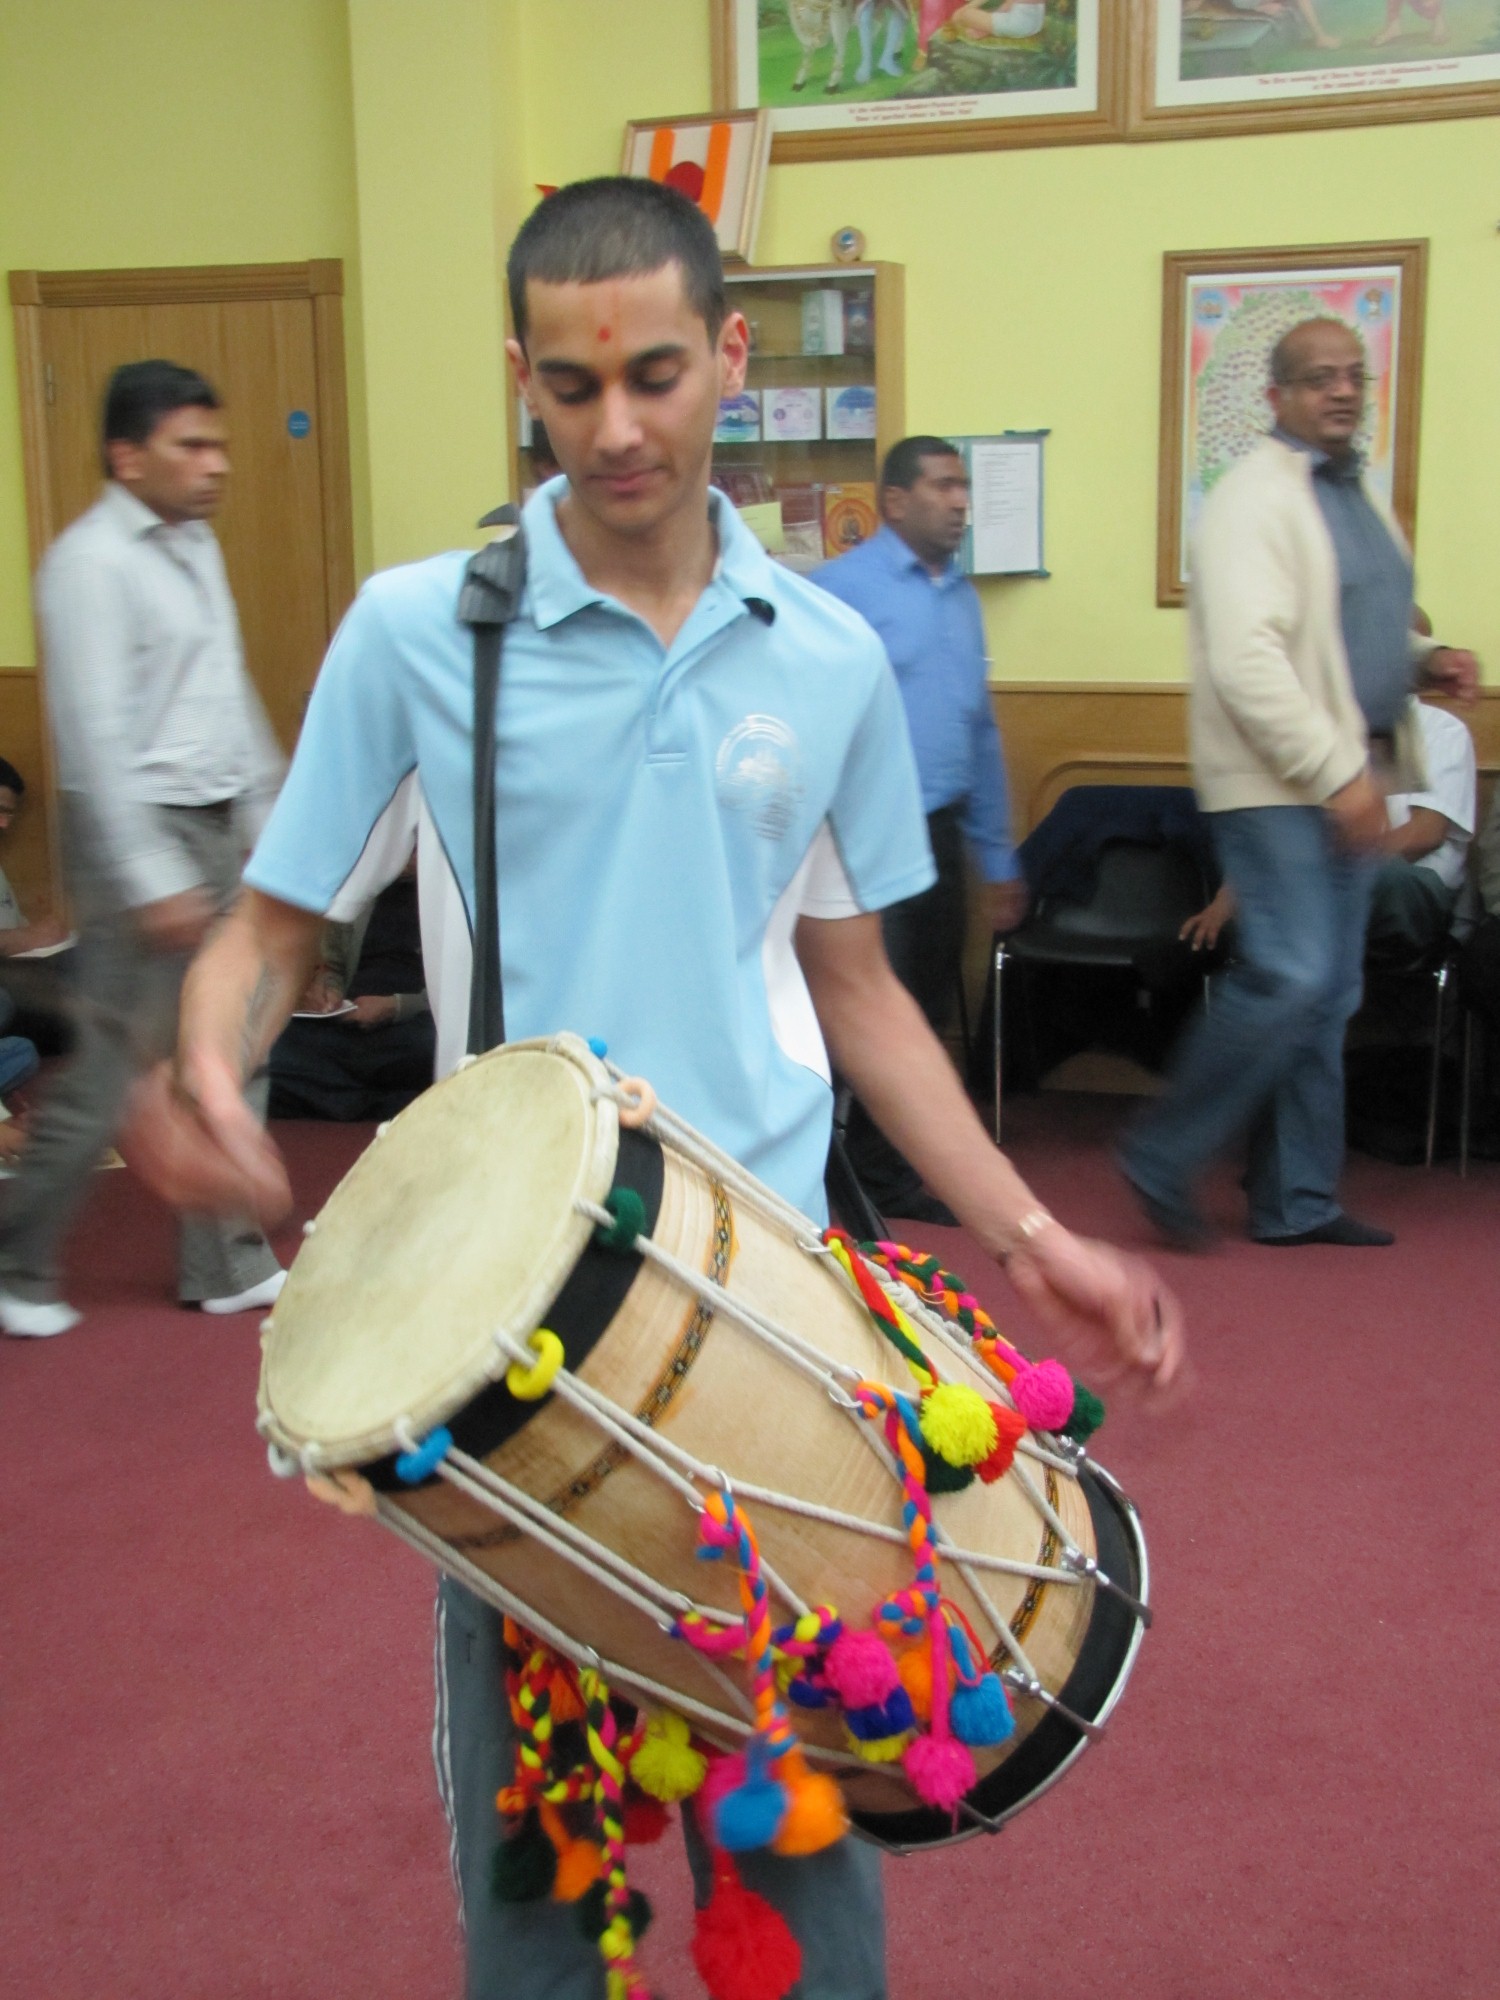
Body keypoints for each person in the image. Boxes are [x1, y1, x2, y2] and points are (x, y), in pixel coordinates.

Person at [123, 178, 1182, 2000]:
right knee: (544, 1868)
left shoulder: (831, 657)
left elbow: (863, 994)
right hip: (519, 1329)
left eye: (660, 375)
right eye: (571, 382)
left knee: (811, 1833)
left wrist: (1030, 1229)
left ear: (735, 363)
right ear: (522, 379)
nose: (616, 426)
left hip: (781, 1290)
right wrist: (206, 1057)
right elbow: (275, 925)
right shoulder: (416, 635)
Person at [1119, 317, 1478, 1252]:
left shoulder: (1352, 494)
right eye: (1320, 378)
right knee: (1290, 974)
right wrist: (1335, 773)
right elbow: (1248, 661)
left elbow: (1340, 626)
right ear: (1276, 396)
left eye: (1355, 376)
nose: (1344, 392)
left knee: (1328, 996)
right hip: (1281, 783)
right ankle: (1162, 1153)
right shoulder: (1251, 499)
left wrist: (1424, 657)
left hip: (1350, 773)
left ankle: (1297, 1199)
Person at [0, 361, 287, 1339]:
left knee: (230, 1033)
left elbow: (225, 687)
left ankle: (227, 1262)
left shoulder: (195, 544)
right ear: (127, 456)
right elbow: (93, 736)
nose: (218, 464)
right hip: (130, 827)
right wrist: (154, 876)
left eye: (220, 444)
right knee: (118, 1063)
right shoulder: (87, 564)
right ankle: (16, 1258)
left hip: (209, 814)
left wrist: (267, 808)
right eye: (192, 446)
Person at [812, 435, 1026, 1221]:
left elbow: (980, 730)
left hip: (939, 833)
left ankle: (882, 1174)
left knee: (923, 1003)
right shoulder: (839, 589)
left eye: (965, 486)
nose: (961, 501)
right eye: (943, 486)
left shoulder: (961, 598)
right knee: (851, 1002)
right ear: (894, 501)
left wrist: (998, 852)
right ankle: (814, 1171)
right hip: (855, 835)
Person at [1180, 698, 1477, 966]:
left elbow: (1425, 835)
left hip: (1407, 888)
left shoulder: (1442, 730)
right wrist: (1225, 900)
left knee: (1385, 877)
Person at [268, 862, 434, 1122]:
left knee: (431, 1045)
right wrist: (328, 990)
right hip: (348, 1022)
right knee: (275, 1049)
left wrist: (395, 1007)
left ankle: (334, 1099)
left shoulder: (451, 904)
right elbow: (332, 966)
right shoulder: (359, 892)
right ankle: (389, 1107)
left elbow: (460, 995)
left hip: (409, 1027)